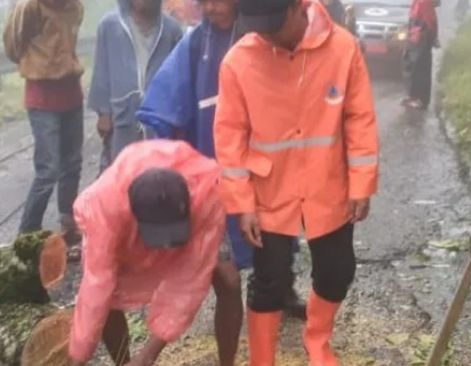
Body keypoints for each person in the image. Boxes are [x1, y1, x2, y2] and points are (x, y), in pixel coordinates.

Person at [136, 0, 307, 364]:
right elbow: (165, 104)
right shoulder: (197, 44)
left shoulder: (267, 29)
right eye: (204, 2)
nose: (210, 8)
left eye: (218, 0)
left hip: (268, 167)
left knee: (273, 246)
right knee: (221, 272)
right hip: (216, 171)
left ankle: (280, 293)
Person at [214, 0, 380, 364]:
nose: (266, 33)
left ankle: (317, 341)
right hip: (269, 190)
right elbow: (230, 139)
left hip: (328, 184)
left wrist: (361, 182)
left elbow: (359, 118)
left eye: (274, 22)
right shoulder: (239, 61)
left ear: (298, 7)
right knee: (269, 281)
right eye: (257, 25)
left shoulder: (342, 48)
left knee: (337, 271)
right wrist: (242, 205)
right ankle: (262, 358)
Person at [68, 140, 225, 366]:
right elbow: (96, 285)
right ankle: (123, 362)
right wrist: (78, 357)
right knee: (108, 297)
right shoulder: (106, 208)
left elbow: (187, 284)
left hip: (198, 208)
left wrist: (148, 355)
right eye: (159, 237)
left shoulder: (207, 194)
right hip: (115, 215)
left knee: (227, 279)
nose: (166, 248)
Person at [3, 0, 85, 260]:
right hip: (42, 95)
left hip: (71, 92)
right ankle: (26, 237)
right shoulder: (30, 7)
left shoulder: (75, 7)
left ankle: (68, 227)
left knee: (72, 164)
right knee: (48, 170)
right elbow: (13, 45)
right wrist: (37, 63)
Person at [88, 0, 183, 172]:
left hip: (159, 118)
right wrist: (104, 113)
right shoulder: (110, 26)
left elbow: (179, 78)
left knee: (157, 173)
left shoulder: (172, 30)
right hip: (123, 115)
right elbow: (102, 70)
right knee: (121, 171)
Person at [401, 0, 438, 110]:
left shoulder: (424, 2)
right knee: (411, 66)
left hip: (421, 38)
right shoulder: (418, 2)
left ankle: (420, 99)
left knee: (419, 68)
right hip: (415, 37)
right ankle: (413, 96)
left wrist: (431, 38)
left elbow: (430, 22)